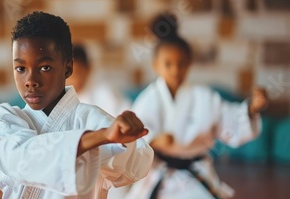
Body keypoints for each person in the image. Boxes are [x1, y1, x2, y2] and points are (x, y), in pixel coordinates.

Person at [0, 11, 154, 199]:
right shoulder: (4, 119)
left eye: (44, 67)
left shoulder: (92, 119)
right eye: (21, 68)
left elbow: (139, 162)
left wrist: (122, 139)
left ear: (68, 67)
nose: (30, 80)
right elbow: (23, 159)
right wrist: (98, 138)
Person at [108, 13, 268, 199]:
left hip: (195, 175)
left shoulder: (204, 97)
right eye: (168, 64)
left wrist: (252, 109)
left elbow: (229, 120)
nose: (175, 70)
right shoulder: (148, 99)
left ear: (189, 63)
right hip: (159, 174)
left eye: (181, 64)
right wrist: (155, 141)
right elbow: (133, 138)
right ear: (156, 65)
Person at [66, 44, 131, 117]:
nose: (69, 80)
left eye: (75, 74)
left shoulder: (106, 93)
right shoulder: (62, 100)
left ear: (87, 69)